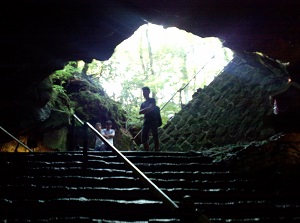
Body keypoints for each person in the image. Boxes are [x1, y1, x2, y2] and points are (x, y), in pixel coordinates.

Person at [139, 86, 160, 151]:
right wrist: (148, 109)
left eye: (145, 91)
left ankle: (156, 152)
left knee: (155, 136)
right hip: (146, 121)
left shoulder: (152, 100)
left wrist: (145, 110)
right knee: (143, 138)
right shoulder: (143, 103)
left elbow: (151, 107)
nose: (144, 93)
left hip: (153, 120)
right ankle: (147, 152)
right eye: (143, 92)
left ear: (148, 92)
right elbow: (140, 112)